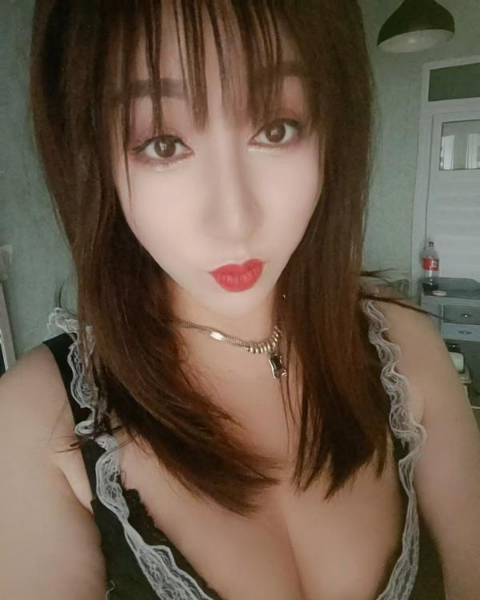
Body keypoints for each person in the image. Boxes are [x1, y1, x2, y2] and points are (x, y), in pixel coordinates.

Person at [1, 1, 479, 599]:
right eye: (163, 143)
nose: (234, 220)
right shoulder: (36, 420)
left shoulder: (406, 349)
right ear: (94, 155)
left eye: (276, 128)